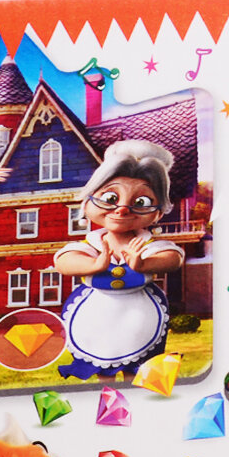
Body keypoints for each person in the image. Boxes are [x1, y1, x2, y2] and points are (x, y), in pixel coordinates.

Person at [52, 140, 190, 382]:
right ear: (87, 201)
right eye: (110, 197)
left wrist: (143, 264)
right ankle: (103, 390)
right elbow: (64, 260)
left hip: (138, 310)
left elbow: (172, 258)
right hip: (97, 311)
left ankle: (134, 389)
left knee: (137, 364)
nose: (122, 209)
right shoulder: (93, 243)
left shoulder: (147, 245)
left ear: (158, 211)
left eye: (141, 203)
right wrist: (94, 265)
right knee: (101, 362)